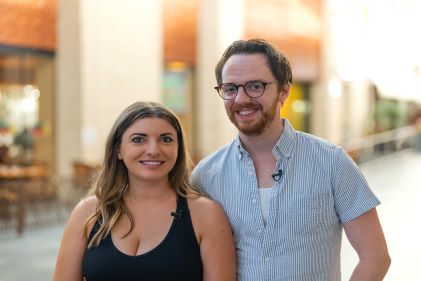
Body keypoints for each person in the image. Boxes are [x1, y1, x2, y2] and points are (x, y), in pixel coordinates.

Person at [191, 39, 391, 281]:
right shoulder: (206, 175)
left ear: (284, 91)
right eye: (230, 88)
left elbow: (375, 257)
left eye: (255, 86)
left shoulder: (332, 163)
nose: (241, 99)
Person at [53, 101, 236, 281]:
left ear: (178, 149)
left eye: (166, 139)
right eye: (138, 139)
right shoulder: (88, 212)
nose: (153, 150)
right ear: (119, 150)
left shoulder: (206, 214)